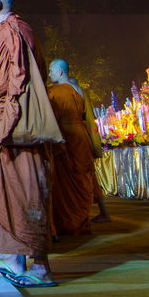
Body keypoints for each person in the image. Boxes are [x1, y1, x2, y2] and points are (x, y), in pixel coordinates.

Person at [0, 0, 57, 287]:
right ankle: (15, 257)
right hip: (7, 126)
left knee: (26, 191)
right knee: (8, 189)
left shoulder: (10, 32)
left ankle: (41, 268)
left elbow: (8, 80)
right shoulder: (19, 30)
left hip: (15, 125)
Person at [46, 58, 99, 237]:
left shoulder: (55, 92)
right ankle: (83, 222)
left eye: (51, 71)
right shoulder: (79, 90)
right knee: (82, 179)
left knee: (66, 183)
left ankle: (69, 224)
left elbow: (51, 116)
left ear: (60, 72)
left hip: (66, 137)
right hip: (82, 137)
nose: (49, 74)